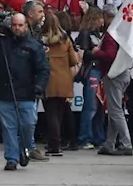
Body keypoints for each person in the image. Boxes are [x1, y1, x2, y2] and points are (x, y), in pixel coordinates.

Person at [0, 12, 49, 170]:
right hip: (4, 93)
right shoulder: (2, 42)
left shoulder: (33, 45)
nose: (17, 28)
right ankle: (11, 158)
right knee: (9, 127)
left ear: (26, 26)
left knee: (28, 124)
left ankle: (22, 149)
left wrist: (39, 86)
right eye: (14, 25)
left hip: (27, 93)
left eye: (20, 25)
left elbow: (43, 69)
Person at [91, 7, 133, 156]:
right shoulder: (123, 32)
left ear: (106, 17)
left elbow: (109, 55)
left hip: (114, 74)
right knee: (115, 109)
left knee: (116, 111)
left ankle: (126, 143)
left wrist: (97, 52)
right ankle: (109, 143)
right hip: (123, 72)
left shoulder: (111, 35)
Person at [40, 10, 79, 157]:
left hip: (48, 81)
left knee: (51, 114)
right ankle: (58, 142)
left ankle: (54, 145)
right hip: (64, 80)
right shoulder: (66, 40)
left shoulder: (41, 41)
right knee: (60, 114)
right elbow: (74, 61)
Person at [73, 4, 107, 150]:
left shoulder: (97, 34)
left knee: (99, 106)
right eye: (100, 18)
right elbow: (82, 54)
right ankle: (84, 137)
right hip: (92, 71)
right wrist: (96, 52)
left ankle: (98, 137)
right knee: (91, 106)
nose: (102, 21)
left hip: (100, 71)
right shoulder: (86, 34)